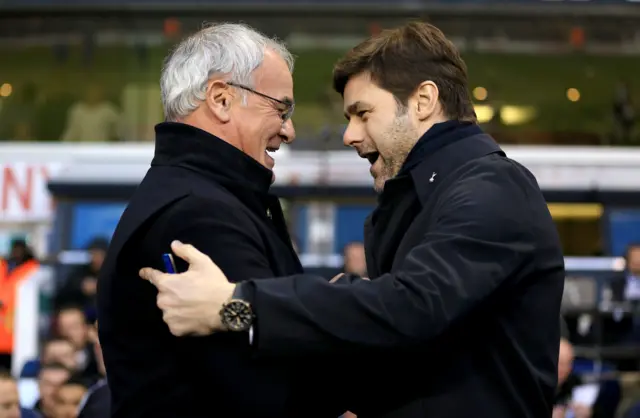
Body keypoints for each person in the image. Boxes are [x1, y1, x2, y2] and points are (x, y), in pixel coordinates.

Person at [141, 21, 566, 418]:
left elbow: (413, 306)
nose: (350, 135)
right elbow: (400, 357)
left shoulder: (493, 186)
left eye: (363, 113)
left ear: (423, 101)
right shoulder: (413, 202)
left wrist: (236, 304)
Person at [98, 22, 345, 418]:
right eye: (281, 108)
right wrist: (333, 313)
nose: (290, 130)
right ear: (221, 99)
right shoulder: (199, 212)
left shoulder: (196, 196)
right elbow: (269, 384)